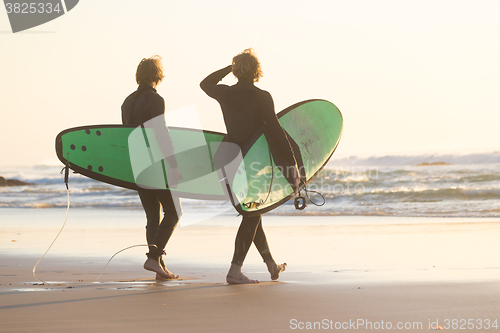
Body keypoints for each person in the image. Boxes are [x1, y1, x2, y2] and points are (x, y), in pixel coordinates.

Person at [200, 48, 300, 284]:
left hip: (230, 158)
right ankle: (234, 271)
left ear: (236, 71)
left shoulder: (224, 93)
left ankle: (271, 265)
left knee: (253, 211)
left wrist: (229, 67)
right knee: (252, 212)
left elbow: (205, 83)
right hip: (253, 161)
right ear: (257, 71)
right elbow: (275, 131)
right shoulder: (262, 96)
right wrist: (292, 164)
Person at [121, 55, 182, 280]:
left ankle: (158, 266)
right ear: (158, 75)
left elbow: (125, 137)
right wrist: (173, 164)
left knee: (152, 217)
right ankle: (153, 258)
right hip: (154, 164)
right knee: (174, 211)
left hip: (137, 165)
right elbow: (161, 134)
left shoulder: (127, 101)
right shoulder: (156, 100)